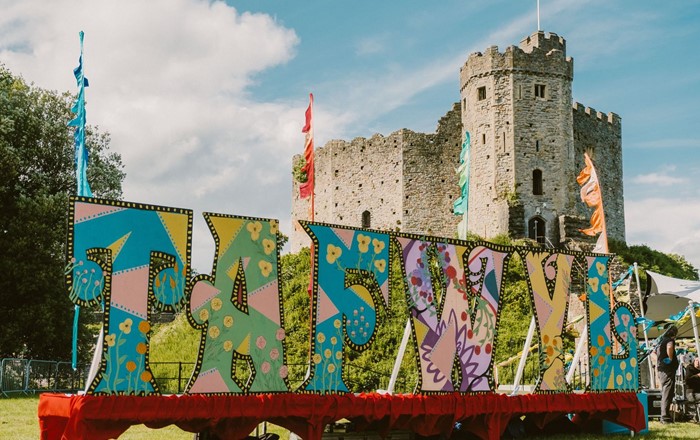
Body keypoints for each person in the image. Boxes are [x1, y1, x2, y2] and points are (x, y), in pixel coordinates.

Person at [657, 326, 679, 423]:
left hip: (662, 370)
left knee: (665, 392)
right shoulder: (669, 340)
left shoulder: (660, 341)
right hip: (668, 370)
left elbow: (653, 353)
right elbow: (669, 347)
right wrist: (670, 359)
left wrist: (659, 363)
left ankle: (665, 415)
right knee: (667, 392)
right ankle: (665, 417)